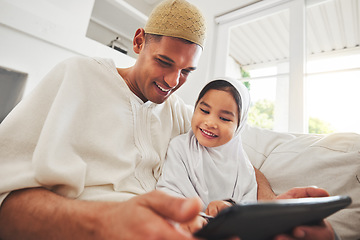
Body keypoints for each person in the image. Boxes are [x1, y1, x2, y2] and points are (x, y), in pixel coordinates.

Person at [0, 0, 337, 239]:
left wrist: (268, 209)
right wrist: (105, 223)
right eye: (164, 61)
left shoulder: (179, 112)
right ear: (138, 41)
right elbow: (7, 206)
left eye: (187, 71)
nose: (174, 81)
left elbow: (240, 162)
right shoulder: (77, 76)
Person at [156, 78, 257, 231]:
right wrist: (190, 216)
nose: (210, 122)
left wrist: (230, 207)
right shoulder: (180, 148)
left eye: (224, 118)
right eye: (204, 111)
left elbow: (249, 207)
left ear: (239, 125)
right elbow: (169, 190)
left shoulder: (245, 168)